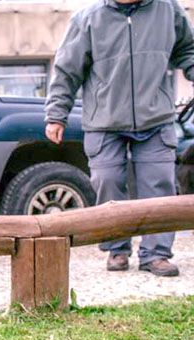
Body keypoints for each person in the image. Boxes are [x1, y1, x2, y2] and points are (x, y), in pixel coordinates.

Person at [45, 0, 194, 277]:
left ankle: (156, 254)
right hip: (104, 121)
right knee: (108, 182)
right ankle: (117, 248)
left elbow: (188, 49)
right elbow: (67, 70)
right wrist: (56, 115)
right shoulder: (88, 18)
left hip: (155, 117)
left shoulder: (168, 10)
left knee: (158, 187)